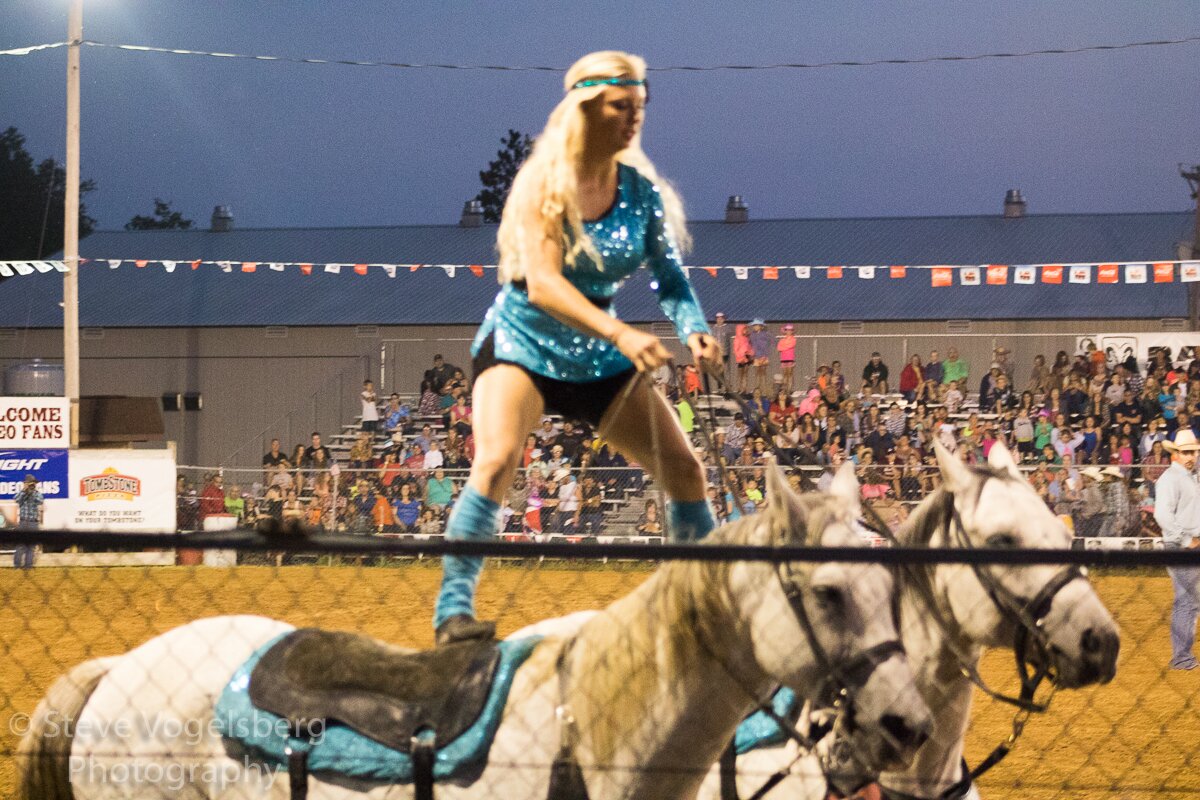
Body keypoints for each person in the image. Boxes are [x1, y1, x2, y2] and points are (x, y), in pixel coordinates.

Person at [430, 51, 720, 645]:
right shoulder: (544, 183)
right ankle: (452, 613)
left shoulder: (641, 194)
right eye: (621, 106)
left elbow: (670, 279)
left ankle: (697, 603)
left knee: (685, 469)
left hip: (597, 360)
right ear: (586, 108)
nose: (634, 117)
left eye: (639, 106)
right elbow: (542, 283)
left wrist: (693, 326)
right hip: (522, 344)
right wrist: (620, 332)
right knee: (496, 460)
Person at [1154, 429, 1200, 669]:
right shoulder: (1170, 479)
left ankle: (1183, 654)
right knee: (1186, 599)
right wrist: (1186, 540)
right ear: (1176, 454)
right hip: (1181, 546)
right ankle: (1181, 657)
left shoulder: (1192, 477)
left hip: (1191, 544)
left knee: (1191, 599)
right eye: (1186, 452)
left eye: (1194, 452)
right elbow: (1162, 515)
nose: (1191, 456)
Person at [13, 474, 43, 569]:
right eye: (30, 483)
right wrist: (24, 490)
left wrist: (31, 492)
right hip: (23, 522)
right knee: (20, 545)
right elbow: (16, 499)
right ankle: (17, 566)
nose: (32, 485)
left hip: (33, 522)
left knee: (31, 545)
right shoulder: (22, 493)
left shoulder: (37, 493)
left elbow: (40, 501)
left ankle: (28, 566)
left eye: (33, 483)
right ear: (25, 483)